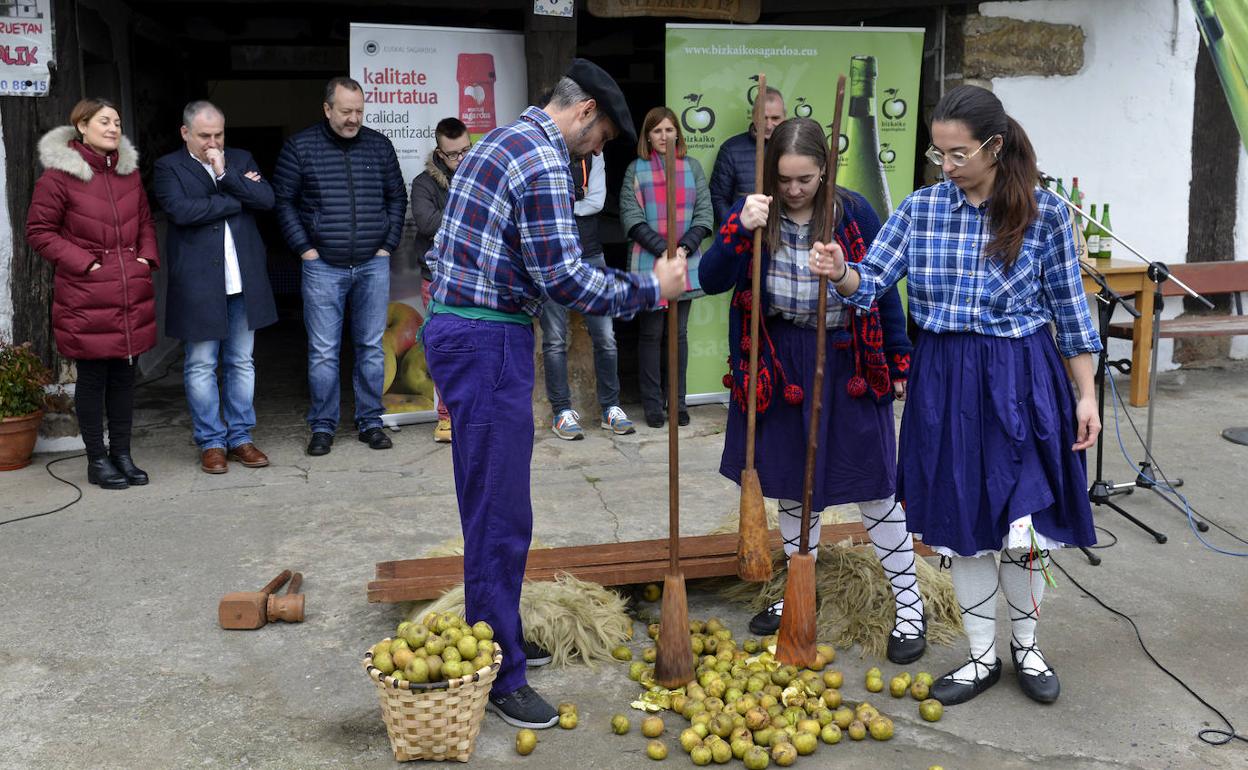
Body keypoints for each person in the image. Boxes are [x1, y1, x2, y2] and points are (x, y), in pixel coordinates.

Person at [810, 84, 1102, 705]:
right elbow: (870, 284)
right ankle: (979, 656)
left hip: (1022, 378)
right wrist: (841, 272)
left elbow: (1072, 314)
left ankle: (1027, 647)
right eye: (937, 153)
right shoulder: (921, 209)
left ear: (994, 146)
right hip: (944, 379)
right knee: (964, 517)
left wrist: (1086, 396)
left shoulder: (1044, 213)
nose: (945, 165)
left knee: (1023, 522)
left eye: (958, 154)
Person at [423, 58, 687, 730]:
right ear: (585, 112)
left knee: (491, 503)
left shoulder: (501, 140)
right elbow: (565, 278)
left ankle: (498, 633)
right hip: (485, 340)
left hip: (468, 330)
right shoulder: (542, 159)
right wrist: (651, 289)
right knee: (500, 513)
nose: (593, 154)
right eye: (599, 142)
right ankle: (500, 675)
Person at [699, 117, 925, 664]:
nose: (794, 189)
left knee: (876, 484)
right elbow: (710, 279)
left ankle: (910, 606)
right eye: (784, 179)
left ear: (825, 169)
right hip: (780, 364)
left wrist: (898, 356)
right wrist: (738, 229)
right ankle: (798, 592)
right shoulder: (754, 212)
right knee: (792, 487)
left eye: (805, 178)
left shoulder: (854, 212)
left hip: (847, 360)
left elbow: (881, 288)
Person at [26, 97, 159, 490]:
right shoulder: (59, 176)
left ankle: (122, 455)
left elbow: (145, 222)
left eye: (117, 121)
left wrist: (145, 259)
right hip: (86, 293)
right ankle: (97, 460)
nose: (113, 128)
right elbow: (39, 232)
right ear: (82, 126)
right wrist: (87, 264)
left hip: (129, 291)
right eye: (104, 121)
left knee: (124, 377)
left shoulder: (128, 173)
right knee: (93, 378)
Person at [273, 76, 407, 456]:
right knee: (322, 352)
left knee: (370, 347)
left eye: (359, 111)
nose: (354, 119)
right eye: (346, 111)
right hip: (322, 266)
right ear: (327, 108)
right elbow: (283, 201)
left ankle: (370, 422)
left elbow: (397, 197)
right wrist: (305, 249)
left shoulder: (379, 146)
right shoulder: (300, 147)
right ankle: (322, 426)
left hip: (371, 263)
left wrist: (386, 246)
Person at [154, 101, 277, 474]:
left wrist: (226, 174)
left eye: (218, 135)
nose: (212, 143)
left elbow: (266, 199)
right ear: (185, 133)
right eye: (204, 135)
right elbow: (181, 212)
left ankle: (240, 437)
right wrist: (235, 197)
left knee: (241, 362)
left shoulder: (239, 159)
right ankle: (211, 442)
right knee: (201, 364)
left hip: (243, 279)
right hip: (198, 282)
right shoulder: (168, 167)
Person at [621, 107, 713, 428]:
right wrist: (664, 250)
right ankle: (652, 404)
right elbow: (631, 216)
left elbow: (704, 214)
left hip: (685, 260)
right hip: (650, 262)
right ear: (648, 136)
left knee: (678, 334)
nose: (664, 136)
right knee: (651, 333)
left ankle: (677, 402)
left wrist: (682, 249)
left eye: (669, 130)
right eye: (657, 131)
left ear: (678, 133)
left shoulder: (692, 167)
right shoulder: (636, 169)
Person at [541, 151, 636, 439]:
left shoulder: (596, 153)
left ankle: (611, 408)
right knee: (555, 340)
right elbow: (542, 204)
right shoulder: (544, 151)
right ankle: (561, 412)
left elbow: (596, 201)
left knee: (606, 337)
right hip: (553, 257)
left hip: (591, 255)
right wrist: (577, 195)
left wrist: (563, 202)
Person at [410, 117, 470, 443]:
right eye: (453, 154)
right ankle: (446, 418)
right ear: (439, 153)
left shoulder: (481, 174)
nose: (461, 159)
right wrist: (470, 210)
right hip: (436, 278)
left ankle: (471, 414)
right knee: (444, 349)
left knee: (473, 348)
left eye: (466, 151)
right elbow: (427, 223)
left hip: (474, 275)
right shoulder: (424, 184)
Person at [709, 87, 785, 228]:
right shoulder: (731, 149)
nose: (769, 125)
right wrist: (737, 226)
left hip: (786, 236)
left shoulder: (794, 148)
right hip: (744, 236)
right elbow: (717, 198)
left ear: (784, 117)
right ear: (753, 116)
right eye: (763, 117)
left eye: (775, 118)